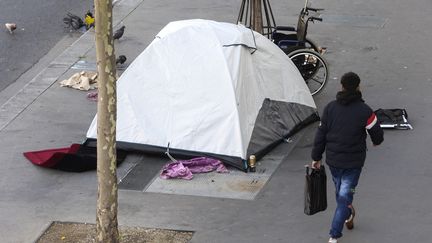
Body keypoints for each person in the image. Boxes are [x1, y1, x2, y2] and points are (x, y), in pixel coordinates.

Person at [310, 72, 384, 243]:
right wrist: (376, 142)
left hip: (333, 162)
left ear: (341, 86)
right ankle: (346, 215)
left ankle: (334, 234)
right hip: (354, 163)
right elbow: (377, 133)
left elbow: (321, 134)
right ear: (359, 87)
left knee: (342, 194)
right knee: (343, 196)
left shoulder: (330, 108)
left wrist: (316, 156)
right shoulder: (365, 111)